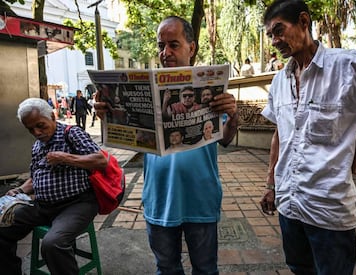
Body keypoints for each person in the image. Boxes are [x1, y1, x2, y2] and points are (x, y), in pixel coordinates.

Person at [260, 1, 356, 274]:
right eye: (270, 35)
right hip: (289, 204)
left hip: (328, 210)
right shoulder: (279, 81)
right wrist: (271, 183)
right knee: (299, 268)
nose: (275, 41)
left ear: (304, 22)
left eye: (279, 31)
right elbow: (279, 133)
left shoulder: (347, 66)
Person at [95, 16, 239, 274]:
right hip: (160, 198)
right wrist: (108, 115)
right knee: (166, 269)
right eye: (161, 46)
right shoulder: (150, 89)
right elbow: (129, 139)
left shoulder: (211, 86)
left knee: (205, 269)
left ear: (191, 48)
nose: (166, 52)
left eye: (174, 44)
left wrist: (234, 115)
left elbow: (226, 139)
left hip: (200, 198)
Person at [0, 98, 107, 275]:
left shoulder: (71, 133)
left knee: (53, 243)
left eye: (40, 125)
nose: (37, 132)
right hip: (44, 206)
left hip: (77, 204)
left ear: (52, 116)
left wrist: (65, 158)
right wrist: (20, 190)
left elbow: (100, 160)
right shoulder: (37, 146)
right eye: (30, 129)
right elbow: (35, 178)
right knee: (2, 229)